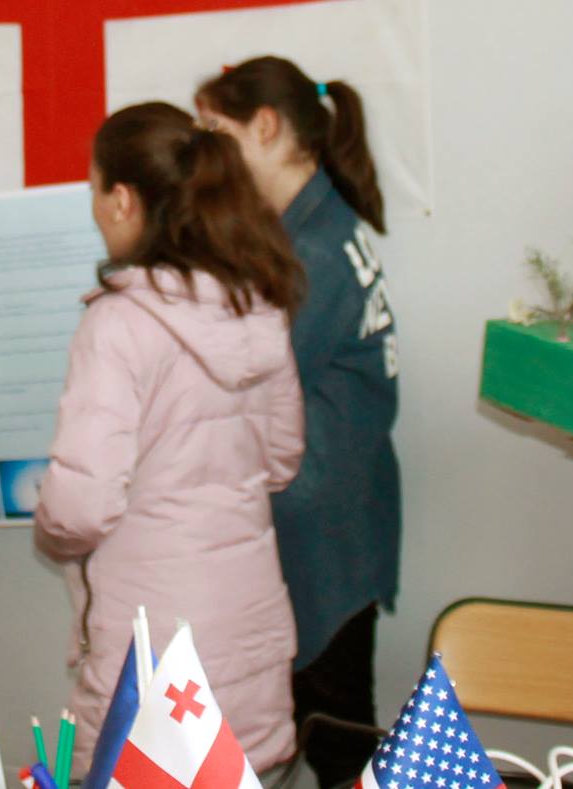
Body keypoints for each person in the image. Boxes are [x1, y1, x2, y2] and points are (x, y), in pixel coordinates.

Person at [33, 101, 306, 778]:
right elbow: (281, 460)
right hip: (249, 623)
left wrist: (51, 532)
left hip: (152, 641)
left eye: (94, 188)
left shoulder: (117, 325)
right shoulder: (256, 302)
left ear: (123, 200)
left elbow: (80, 508)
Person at [196, 56, 400, 787]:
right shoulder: (321, 224)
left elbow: (241, 395)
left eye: (214, 132)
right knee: (331, 731)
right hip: (342, 517)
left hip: (319, 535)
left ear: (265, 127)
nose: (204, 152)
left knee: (334, 744)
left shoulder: (306, 253)